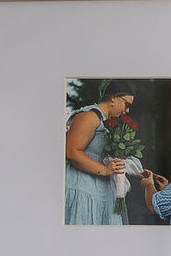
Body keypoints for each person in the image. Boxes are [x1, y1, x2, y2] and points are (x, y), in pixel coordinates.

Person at [63, 86, 150, 225]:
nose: (127, 110)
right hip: (83, 190)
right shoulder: (90, 116)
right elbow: (72, 152)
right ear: (113, 98)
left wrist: (135, 170)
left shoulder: (106, 123)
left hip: (100, 192)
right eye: (126, 104)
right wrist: (105, 169)